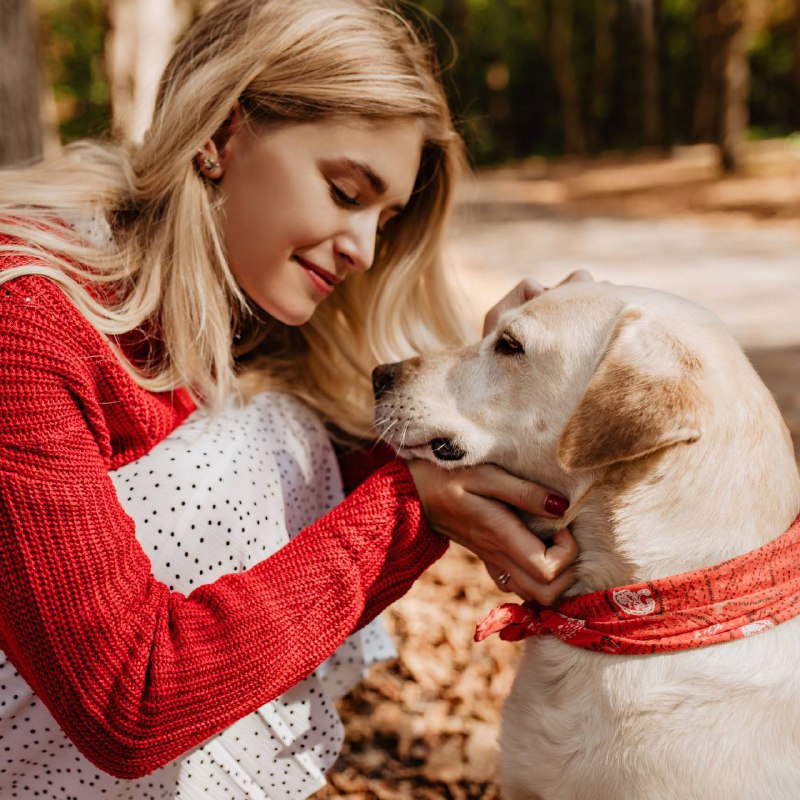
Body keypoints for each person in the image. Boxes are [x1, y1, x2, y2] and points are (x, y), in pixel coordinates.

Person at [0, 0, 577, 796]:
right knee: (252, 450)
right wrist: (417, 509)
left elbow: (382, 465)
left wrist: (483, 386)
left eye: (386, 217)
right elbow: (125, 700)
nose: (366, 250)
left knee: (288, 427)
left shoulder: (240, 304)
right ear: (222, 132)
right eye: (346, 192)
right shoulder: (26, 319)